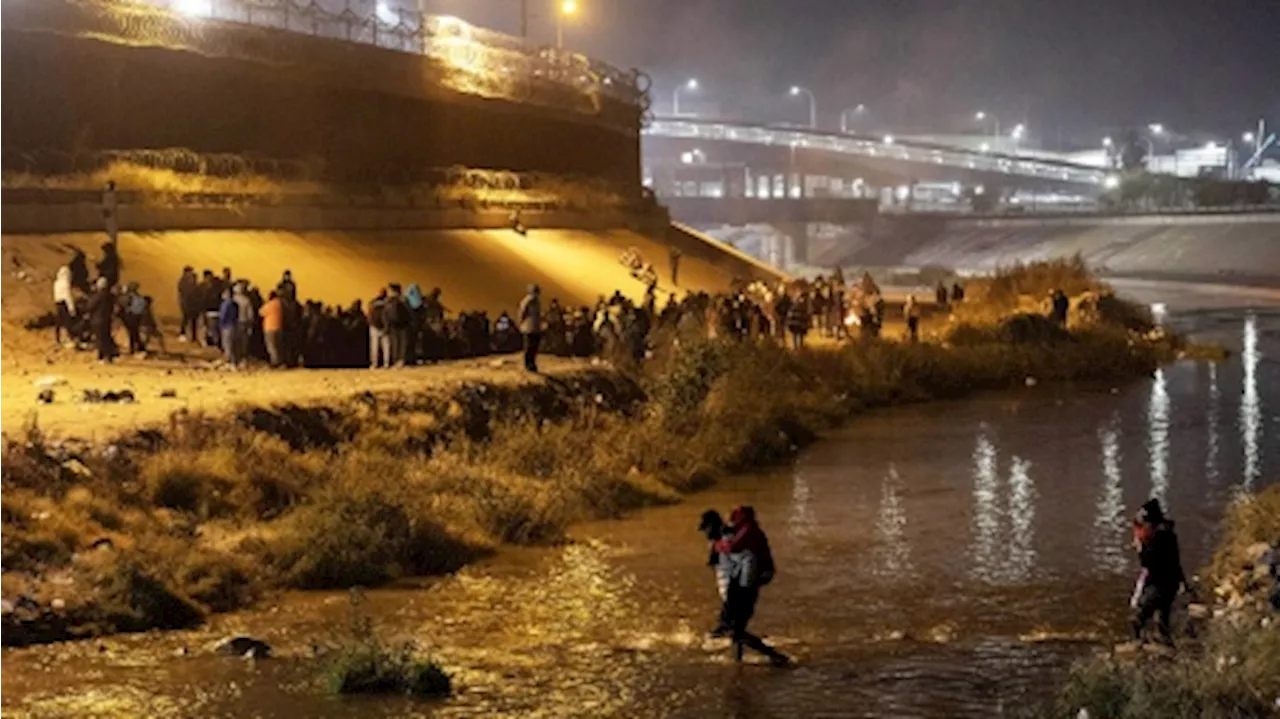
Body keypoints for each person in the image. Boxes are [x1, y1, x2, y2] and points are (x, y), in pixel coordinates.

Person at [715, 506, 789, 665]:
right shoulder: (748, 529)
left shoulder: (749, 530)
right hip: (748, 582)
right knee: (737, 627)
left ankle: (774, 656)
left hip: (747, 585)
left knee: (736, 628)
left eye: (735, 515)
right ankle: (739, 660)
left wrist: (719, 544)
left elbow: (733, 547)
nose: (731, 517)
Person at [1131, 498, 1187, 645]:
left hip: (1161, 583)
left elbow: (1149, 563)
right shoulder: (1167, 534)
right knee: (1162, 618)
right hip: (1170, 582)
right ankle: (1165, 645)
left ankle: (1139, 645)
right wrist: (1183, 582)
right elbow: (1175, 561)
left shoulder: (1158, 538)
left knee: (1139, 616)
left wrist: (1140, 549)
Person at [699, 510, 733, 638]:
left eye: (706, 529)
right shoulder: (718, 542)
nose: (706, 534)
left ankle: (775, 655)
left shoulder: (728, 540)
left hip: (734, 590)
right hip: (728, 590)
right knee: (732, 629)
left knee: (729, 628)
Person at [86, 277, 117, 363]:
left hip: (98, 319)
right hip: (107, 319)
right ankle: (106, 356)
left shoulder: (98, 296)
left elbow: (90, 306)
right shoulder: (111, 296)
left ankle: (104, 357)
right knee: (106, 337)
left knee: (100, 339)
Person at [518, 283, 543, 373]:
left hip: (534, 327)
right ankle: (528, 364)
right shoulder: (528, 301)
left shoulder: (536, 301)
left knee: (533, 347)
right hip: (529, 327)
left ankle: (531, 363)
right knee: (529, 347)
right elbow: (522, 312)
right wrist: (521, 323)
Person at [384, 283, 409, 367]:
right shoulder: (403, 300)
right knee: (402, 342)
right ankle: (400, 360)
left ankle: (396, 360)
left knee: (395, 343)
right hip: (402, 324)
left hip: (393, 325)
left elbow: (385, 314)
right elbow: (408, 312)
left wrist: (386, 326)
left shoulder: (388, 301)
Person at [120, 281, 148, 355]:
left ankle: (136, 348)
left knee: (132, 333)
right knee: (134, 333)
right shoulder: (139, 297)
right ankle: (137, 348)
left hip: (130, 316)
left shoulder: (129, 297)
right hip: (138, 317)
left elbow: (123, 304)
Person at [53, 266, 76, 347]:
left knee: (59, 323)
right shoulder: (65, 283)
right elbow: (67, 296)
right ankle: (67, 339)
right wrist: (72, 308)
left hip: (57, 303)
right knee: (66, 322)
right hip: (64, 305)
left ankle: (58, 339)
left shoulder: (56, 283)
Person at [260, 290, 284, 368]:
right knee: (278, 346)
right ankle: (280, 361)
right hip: (279, 327)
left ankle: (275, 362)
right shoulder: (280, 304)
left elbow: (261, 312)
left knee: (271, 346)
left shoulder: (270, 304)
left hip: (270, 327)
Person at [367, 288, 389, 369]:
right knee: (386, 347)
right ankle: (386, 364)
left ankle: (374, 363)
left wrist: (371, 323)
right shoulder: (388, 303)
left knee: (374, 347)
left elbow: (368, 314)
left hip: (374, 326)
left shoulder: (372, 303)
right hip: (384, 326)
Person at [218, 288, 239, 368]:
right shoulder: (235, 304)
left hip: (226, 326)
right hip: (233, 326)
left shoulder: (225, 304)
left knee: (227, 345)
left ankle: (229, 361)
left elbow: (223, 316)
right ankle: (232, 361)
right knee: (232, 344)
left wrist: (220, 325)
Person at [177, 266, 199, 342]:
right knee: (186, 318)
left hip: (193, 303)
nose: (191, 273)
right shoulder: (182, 281)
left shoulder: (193, 280)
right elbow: (182, 293)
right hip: (186, 302)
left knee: (194, 320)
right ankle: (182, 333)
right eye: (190, 272)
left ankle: (194, 336)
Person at [102, 180, 119, 246]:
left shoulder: (112, 194)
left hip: (111, 213)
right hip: (108, 212)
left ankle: (113, 242)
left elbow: (113, 204)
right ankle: (111, 241)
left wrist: (109, 211)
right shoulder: (107, 193)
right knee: (109, 227)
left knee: (112, 227)